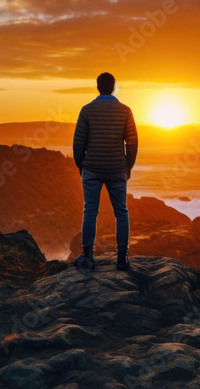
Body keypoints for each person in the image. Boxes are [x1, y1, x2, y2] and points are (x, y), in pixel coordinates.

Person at [72, 72, 138, 270]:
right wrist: (128, 166)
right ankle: (122, 257)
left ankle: (87, 256)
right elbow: (132, 143)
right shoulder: (125, 111)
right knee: (121, 212)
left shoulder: (86, 110)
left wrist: (81, 167)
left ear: (97, 87)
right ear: (114, 87)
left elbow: (78, 144)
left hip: (91, 169)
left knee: (90, 211)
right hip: (117, 168)